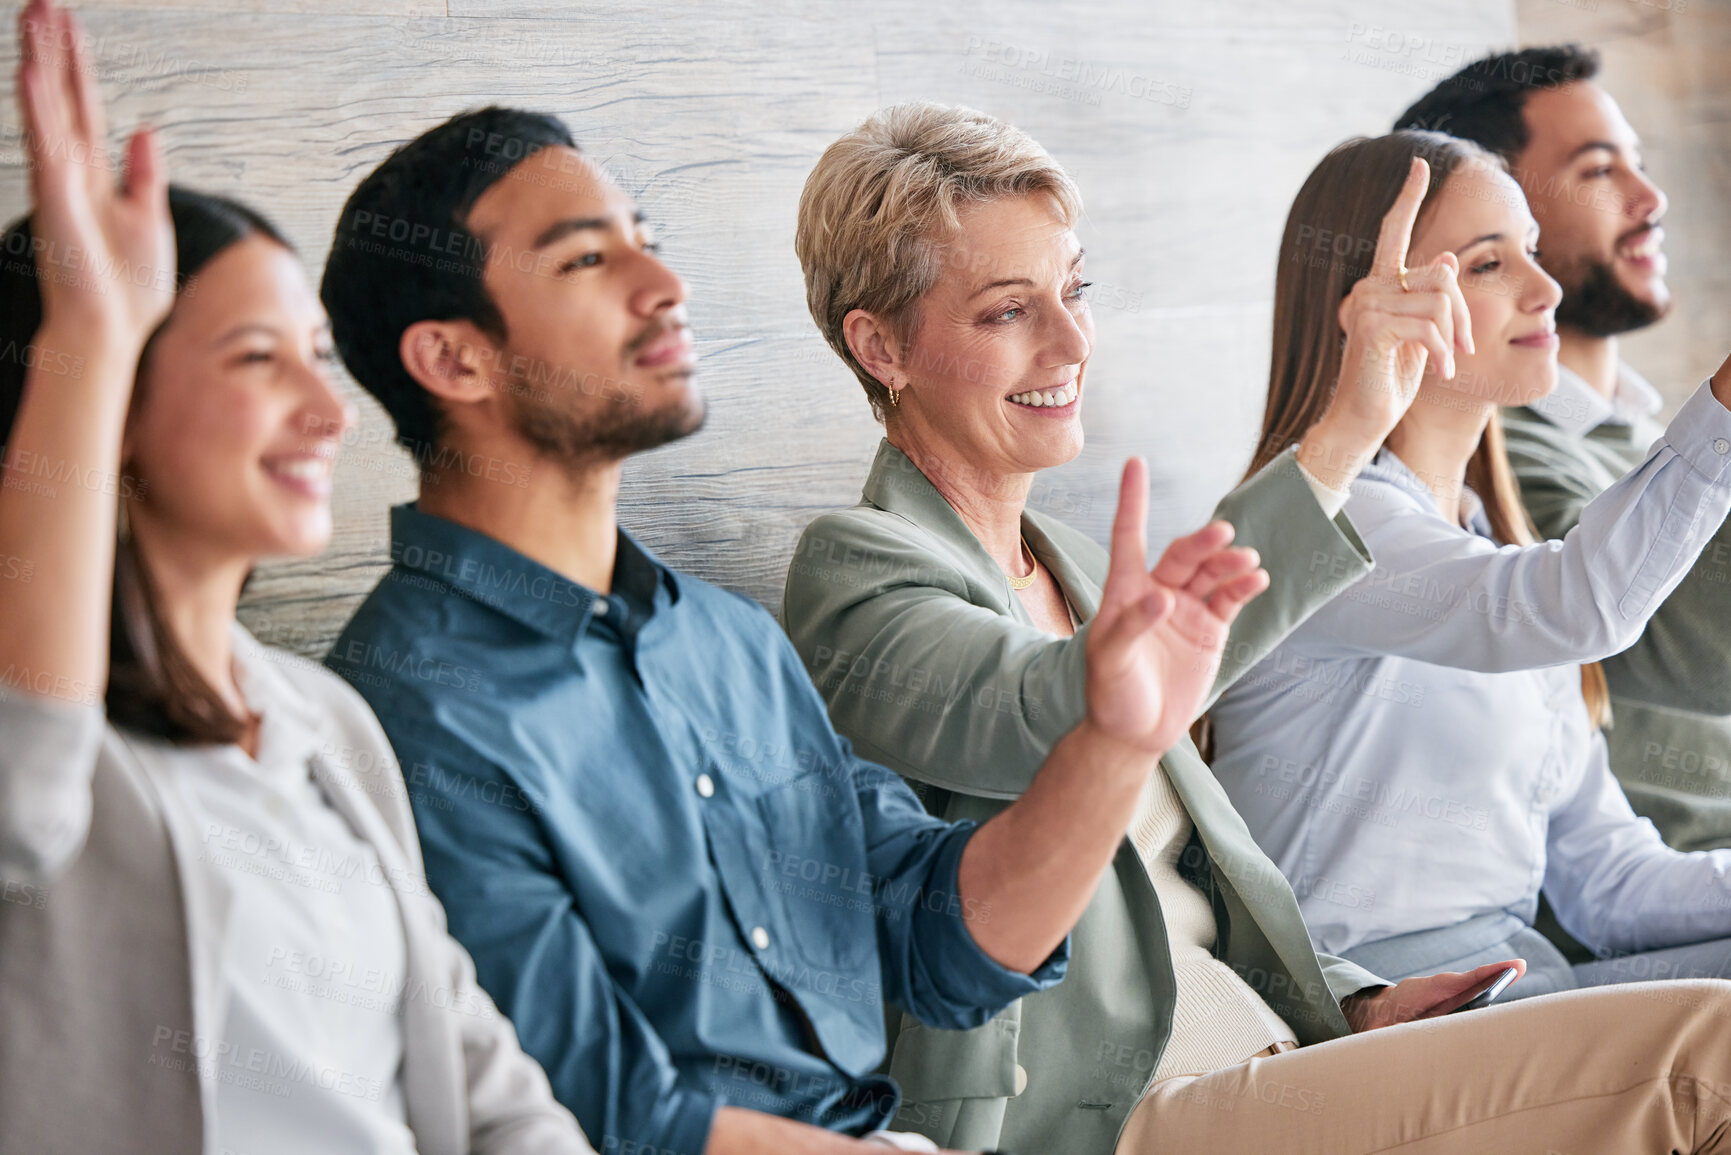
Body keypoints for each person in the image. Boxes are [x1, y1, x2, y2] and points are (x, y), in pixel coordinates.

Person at [779, 102, 1731, 1155]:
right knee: (1712, 1052)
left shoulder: (1078, 565)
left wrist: (1359, 1001)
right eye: (1010, 311)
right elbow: (1053, 716)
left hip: (1279, 1053)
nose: (1071, 339)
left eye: (1076, 291)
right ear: (881, 347)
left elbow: (1207, 875)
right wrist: (1351, 426)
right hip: (1108, 1113)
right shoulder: (857, 569)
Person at [318, 105, 1272, 1155]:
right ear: (455, 360)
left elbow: (942, 935)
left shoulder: (724, 644)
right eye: (589, 259)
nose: (665, 288)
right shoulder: (406, 708)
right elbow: (596, 1113)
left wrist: (1115, 744)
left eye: (649, 242)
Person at [0, 3, 594, 1153]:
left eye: (318, 357)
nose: (330, 413)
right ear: (107, 399)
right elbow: (23, 798)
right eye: (257, 359)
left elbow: (487, 1085)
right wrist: (92, 328)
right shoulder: (47, 751)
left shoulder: (325, 720)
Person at [1208, 129, 1731, 997]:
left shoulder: (1497, 543)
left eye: (1530, 251)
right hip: (1385, 1015)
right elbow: (1580, 603)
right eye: (1487, 265)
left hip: (1525, 983)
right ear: (1370, 308)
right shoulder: (1333, 525)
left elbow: (1609, 885)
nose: (1547, 288)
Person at [1397, 47, 1731, 853]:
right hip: (1658, 897)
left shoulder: (1638, 434)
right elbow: (1677, 646)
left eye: (1639, 164)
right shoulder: (1492, 468)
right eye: (1597, 171)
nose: (1650, 199)